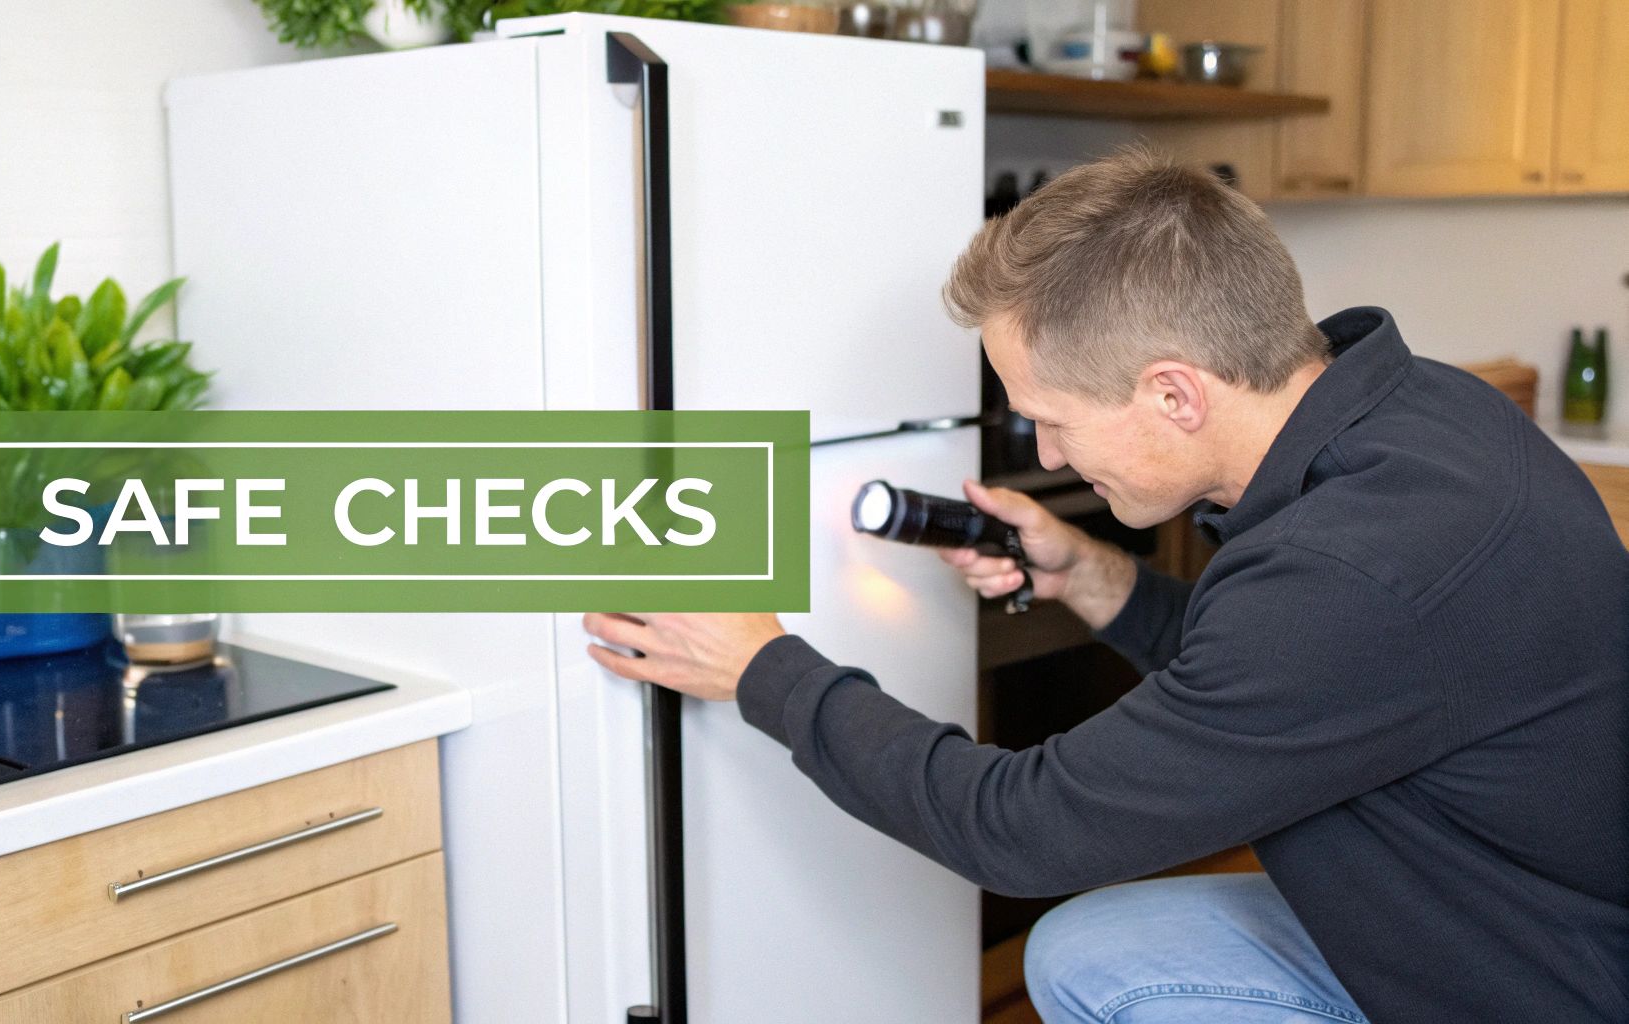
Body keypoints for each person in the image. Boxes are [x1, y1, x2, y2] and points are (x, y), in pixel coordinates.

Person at [583, 148, 1629, 1024]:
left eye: (1048, 415)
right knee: (1092, 946)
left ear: (1172, 391)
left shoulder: (1349, 573)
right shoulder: (1411, 411)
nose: (1039, 446)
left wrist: (766, 670)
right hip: (1501, 903)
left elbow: (1018, 828)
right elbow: (1291, 688)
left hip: (1531, 984)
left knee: (1089, 934)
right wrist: (1092, 576)